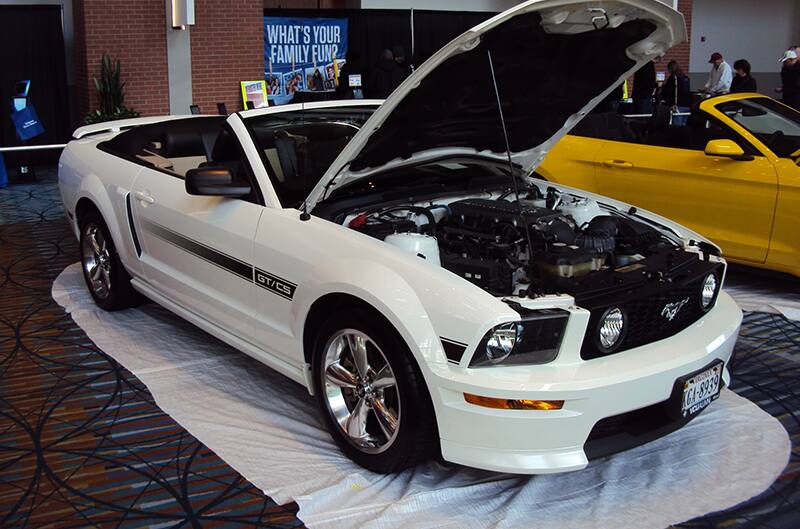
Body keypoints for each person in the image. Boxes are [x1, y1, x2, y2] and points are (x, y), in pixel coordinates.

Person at [662, 60, 691, 125]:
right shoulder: (685, 77)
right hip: (687, 105)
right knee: (684, 125)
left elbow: (668, 91)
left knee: (677, 126)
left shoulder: (673, 78)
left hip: (677, 105)